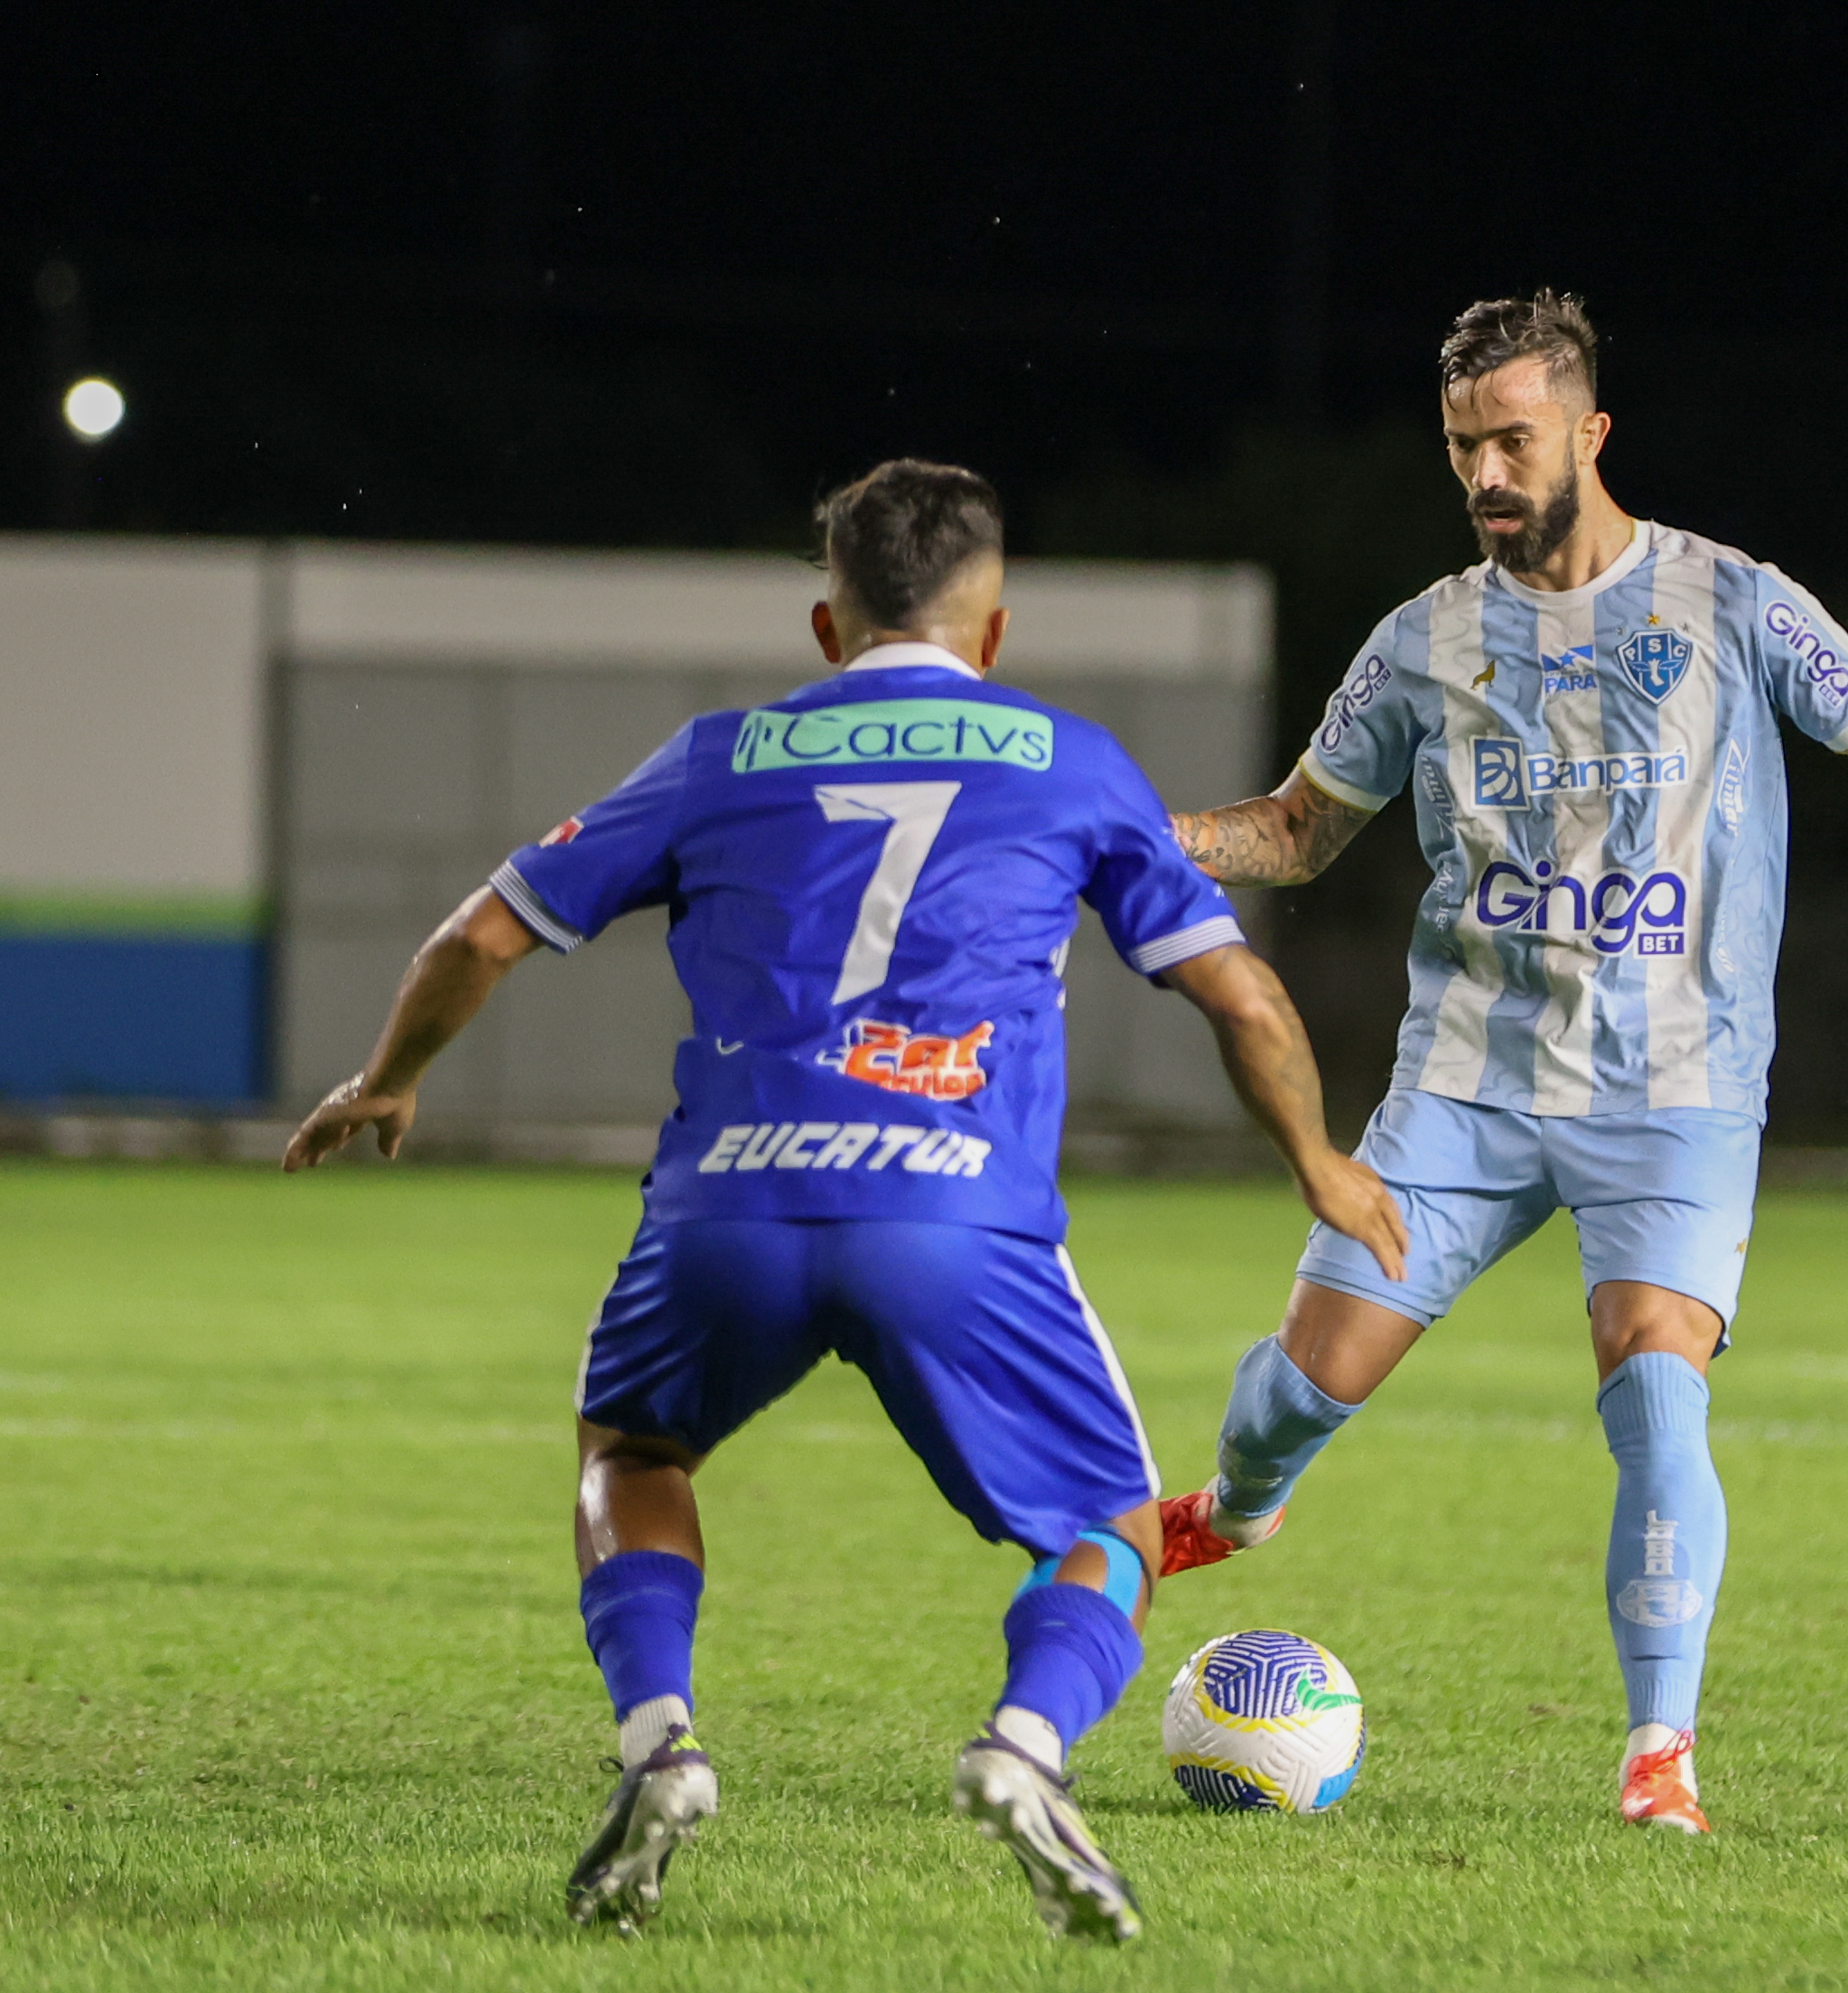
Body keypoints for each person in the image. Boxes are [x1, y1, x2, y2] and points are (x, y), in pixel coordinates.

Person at [282, 459, 1406, 1942]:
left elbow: (480, 935)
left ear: (828, 625)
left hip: (726, 1214)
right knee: (1112, 1524)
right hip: (954, 1222)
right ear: (993, 629)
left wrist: (387, 1078)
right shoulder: (1068, 760)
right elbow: (1239, 993)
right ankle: (1023, 1743)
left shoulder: (719, 754)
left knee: (633, 1450)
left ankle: (660, 1741)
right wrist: (1318, 1158)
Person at [1153, 292, 1848, 1835]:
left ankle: (1658, 1750)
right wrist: (1123, 834)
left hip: (1676, 1087)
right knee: (1301, 1387)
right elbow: (1293, 831)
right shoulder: (1420, 641)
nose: (1484, 472)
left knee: (1656, 1387)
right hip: (1465, 1085)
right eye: (1461, 444)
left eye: (1512, 439)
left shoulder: (1735, 603)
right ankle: (1241, 1503)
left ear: (1591, 432)